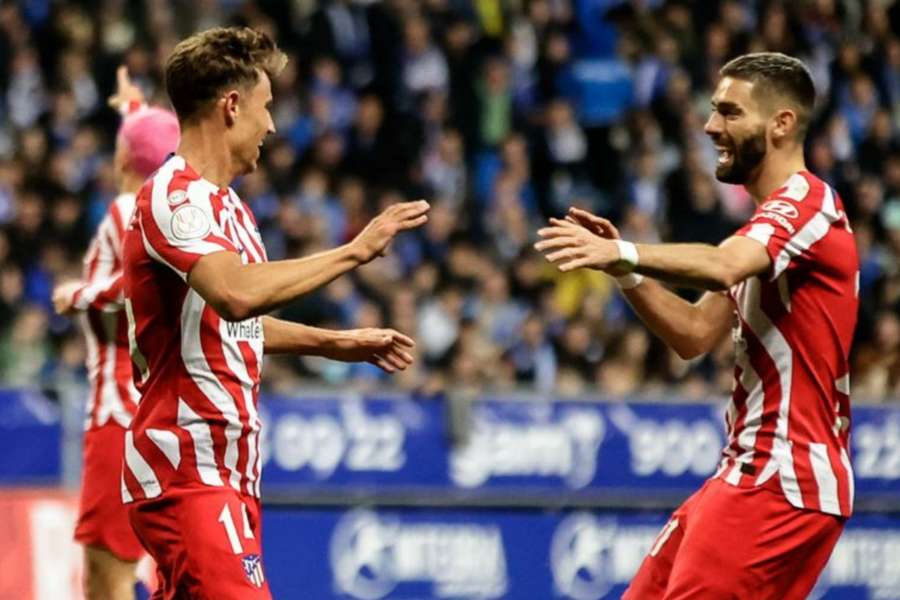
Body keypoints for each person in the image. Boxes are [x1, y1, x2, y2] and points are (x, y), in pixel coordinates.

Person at [119, 27, 428, 599]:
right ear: (230, 106)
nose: (273, 126)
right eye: (266, 107)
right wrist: (355, 251)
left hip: (231, 473)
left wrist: (336, 344)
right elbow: (235, 293)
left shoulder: (231, 210)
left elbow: (230, 325)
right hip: (188, 469)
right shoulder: (173, 196)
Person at [536, 52, 857, 599]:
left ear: (781, 123)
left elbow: (723, 264)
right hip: (746, 469)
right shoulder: (768, 232)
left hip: (781, 474)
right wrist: (623, 271)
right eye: (713, 112)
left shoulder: (807, 205)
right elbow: (693, 334)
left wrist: (624, 248)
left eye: (730, 113)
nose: (711, 127)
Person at [52, 66, 180, 600]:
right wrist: (135, 110)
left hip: (116, 416)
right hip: (149, 411)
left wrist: (74, 296)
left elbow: (139, 286)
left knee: (108, 578)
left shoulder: (124, 210)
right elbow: (150, 148)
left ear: (122, 159)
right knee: (118, 574)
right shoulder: (164, 204)